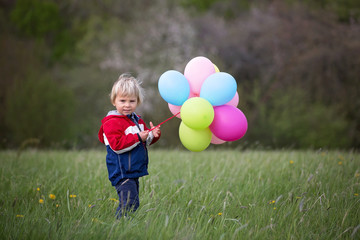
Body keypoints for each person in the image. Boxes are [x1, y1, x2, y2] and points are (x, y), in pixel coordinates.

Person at [98, 73, 161, 218]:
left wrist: (153, 134)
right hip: (121, 171)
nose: (127, 105)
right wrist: (139, 136)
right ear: (114, 101)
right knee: (128, 202)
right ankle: (119, 226)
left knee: (133, 203)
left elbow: (144, 141)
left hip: (132, 170)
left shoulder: (137, 120)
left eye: (132, 101)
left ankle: (125, 226)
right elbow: (117, 145)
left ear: (138, 102)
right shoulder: (111, 122)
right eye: (122, 100)